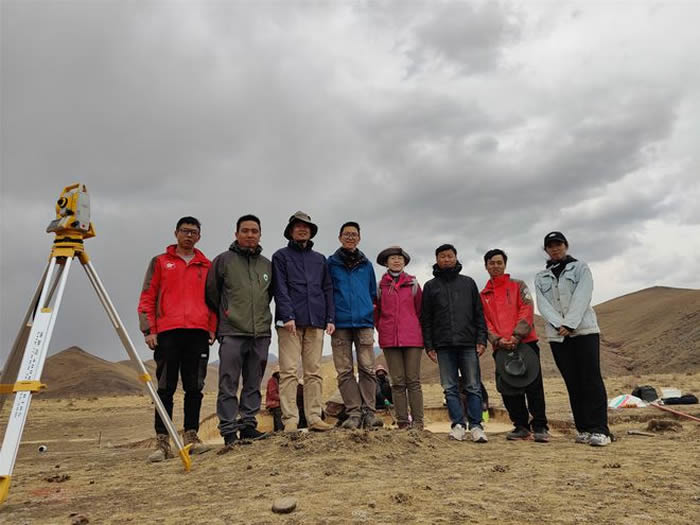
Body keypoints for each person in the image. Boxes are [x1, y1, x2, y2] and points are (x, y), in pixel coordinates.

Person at [138, 216, 217, 462]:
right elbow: (148, 296)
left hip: (198, 332)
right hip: (167, 332)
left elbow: (214, 300)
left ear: (199, 236)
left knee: (195, 388)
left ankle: (191, 438)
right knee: (165, 388)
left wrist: (212, 328)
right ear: (176, 233)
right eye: (185, 231)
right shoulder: (160, 262)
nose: (189, 235)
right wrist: (149, 329)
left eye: (193, 232)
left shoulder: (207, 265)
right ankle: (163, 443)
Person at [535, 231, 611, 447]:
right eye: (550, 246)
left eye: (558, 244)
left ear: (566, 246)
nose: (555, 249)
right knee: (572, 381)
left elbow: (583, 295)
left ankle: (600, 429)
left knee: (591, 379)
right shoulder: (541, 276)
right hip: (558, 336)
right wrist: (559, 324)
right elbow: (542, 303)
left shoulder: (580, 268)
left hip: (584, 331)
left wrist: (570, 323)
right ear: (546, 250)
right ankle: (583, 428)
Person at [206, 214, 273, 452]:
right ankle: (228, 430)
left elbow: (268, 295)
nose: (250, 235)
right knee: (228, 382)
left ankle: (248, 426)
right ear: (236, 234)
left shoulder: (266, 265)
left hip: (260, 332)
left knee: (253, 382)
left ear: (260, 234)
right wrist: (228, 313)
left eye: (254, 231)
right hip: (232, 331)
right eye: (245, 231)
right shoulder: (223, 261)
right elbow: (212, 293)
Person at [272, 211, 334, 432]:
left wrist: (330, 318)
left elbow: (327, 288)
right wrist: (287, 315)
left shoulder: (320, 259)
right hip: (290, 323)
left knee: (313, 371)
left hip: (316, 320)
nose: (302, 229)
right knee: (289, 371)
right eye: (298, 226)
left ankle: (314, 417)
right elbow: (280, 288)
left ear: (311, 232)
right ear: (290, 231)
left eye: (306, 227)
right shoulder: (280, 256)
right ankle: (290, 420)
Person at [480, 249, 549, 442]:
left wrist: (516, 335)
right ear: (486, 266)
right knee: (508, 387)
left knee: (534, 385)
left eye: (499, 262)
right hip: (500, 347)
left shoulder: (518, 285)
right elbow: (484, 321)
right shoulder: (483, 295)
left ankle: (540, 425)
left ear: (505, 264)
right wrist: (497, 340)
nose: (495, 266)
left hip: (525, 343)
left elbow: (526, 309)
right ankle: (520, 426)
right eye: (491, 263)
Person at [421, 244, 488, 443]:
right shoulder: (430, 286)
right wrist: (429, 345)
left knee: (473, 386)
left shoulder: (468, 283)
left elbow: (479, 313)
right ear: (437, 259)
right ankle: (457, 425)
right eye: (442, 256)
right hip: (443, 345)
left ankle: (476, 426)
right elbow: (426, 318)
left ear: (456, 257)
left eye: (450, 256)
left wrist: (481, 339)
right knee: (449, 387)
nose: (446, 259)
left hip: (468, 342)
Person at [327, 221, 382, 429]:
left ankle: (369, 412)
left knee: (368, 368)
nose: (350, 237)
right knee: (344, 370)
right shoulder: (331, 264)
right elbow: (327, 291)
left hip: (364, 322)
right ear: (339, 237)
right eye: (347, 234)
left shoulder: (367, 265)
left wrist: (368, 312)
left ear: (359, 238)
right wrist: (330, 317)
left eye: (354, 234)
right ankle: (354, 413)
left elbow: (372, 293)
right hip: (339, 323)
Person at [375, 246, 425, 430]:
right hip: (390, 339)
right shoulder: (380, 286)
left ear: (404, 262)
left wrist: (415, 328)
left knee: (413, 381)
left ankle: (418, 422)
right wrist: (383, 329)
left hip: (413, 339)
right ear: (386, 263)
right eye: (392, 258)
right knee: (397, 382)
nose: (396, 261)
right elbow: (376, 312)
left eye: (399, 258)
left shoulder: (413, 284)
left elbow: (420, 311)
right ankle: (402, 422)